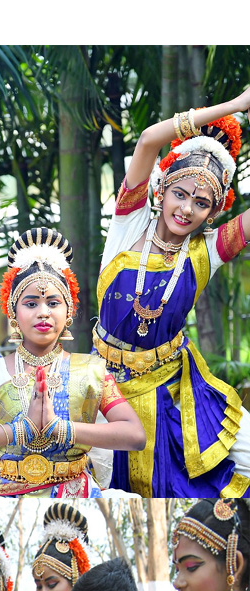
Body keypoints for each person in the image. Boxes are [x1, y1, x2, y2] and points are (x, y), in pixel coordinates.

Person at [95, 92, 250, 496]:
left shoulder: (205, 253)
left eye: (201, 203)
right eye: (180, 194)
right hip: (105, 387)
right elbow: (147, 140)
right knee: (90, 480)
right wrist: (235, 105)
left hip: (175, 386)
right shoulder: (128, 226)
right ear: (161, 189)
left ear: (213, 213)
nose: (186, 209)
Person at [0, 228, 145, 496]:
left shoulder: (92, 370)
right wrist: (17, 431)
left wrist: (61, 429)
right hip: (5, 493)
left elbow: (135, 435)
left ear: (68, 311)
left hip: (75, 492)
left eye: (53, 302)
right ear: (13, 311)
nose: (44, 312)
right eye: (31, 303)